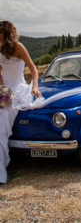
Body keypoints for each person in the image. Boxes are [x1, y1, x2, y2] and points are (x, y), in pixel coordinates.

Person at [0, 21, 41, 184]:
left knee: (2, 121)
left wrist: (35, 86)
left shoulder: (19, 47)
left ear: (2, 35)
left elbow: (33, 68)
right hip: (4, 89)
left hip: (18, 89)